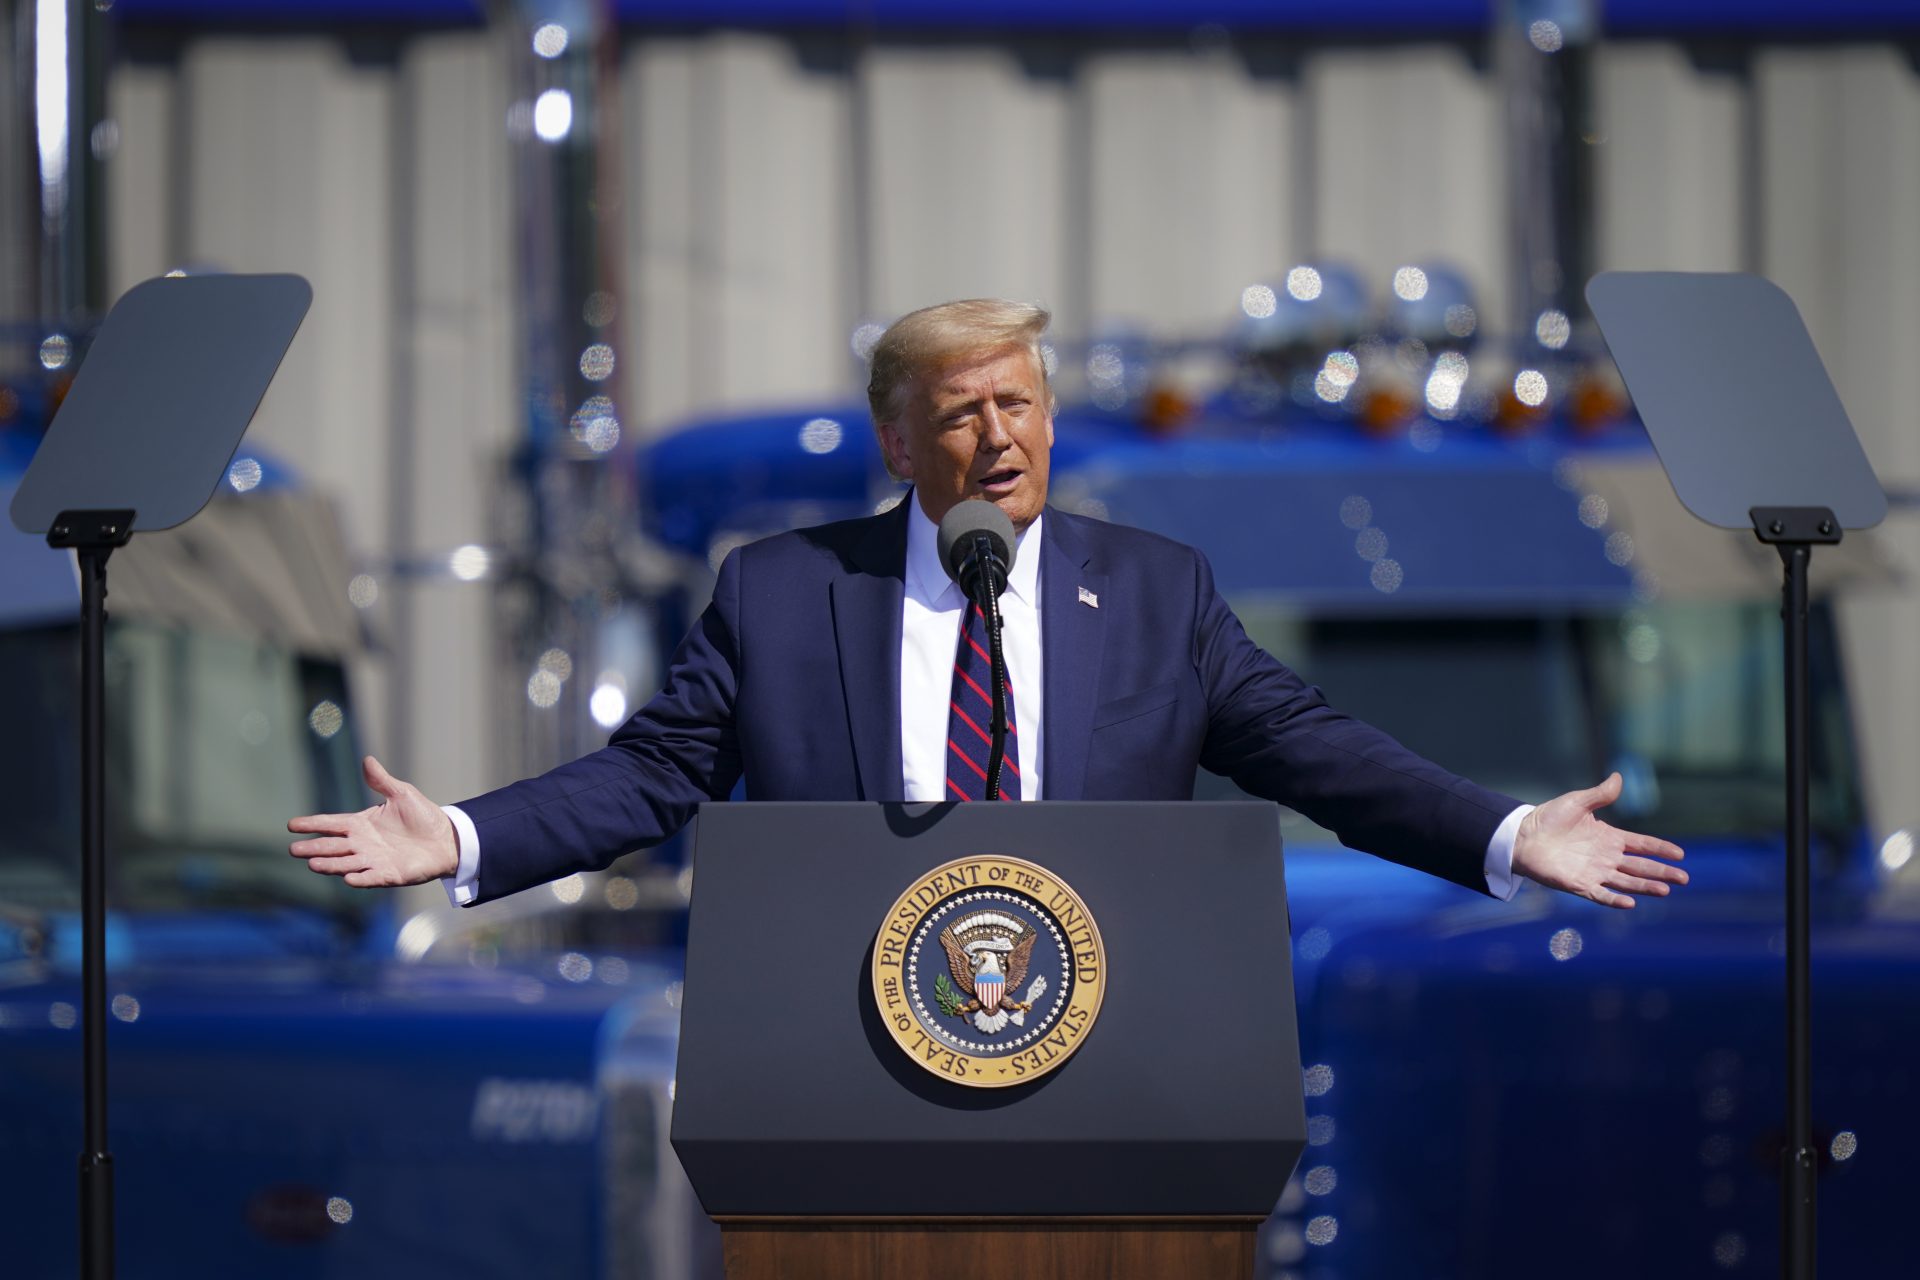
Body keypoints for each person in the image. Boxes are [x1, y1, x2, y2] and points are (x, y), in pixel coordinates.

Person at [289, 299, 1687, 910]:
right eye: (961, 414)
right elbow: (652, 777)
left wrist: (1505, 832)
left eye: (1020, 404)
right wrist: (465, 836)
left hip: (1109, 1058)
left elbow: (1314, 750)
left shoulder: (1153, 593)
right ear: (899, 446)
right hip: (852, 1068)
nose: (999, 436)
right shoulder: (783, 594)